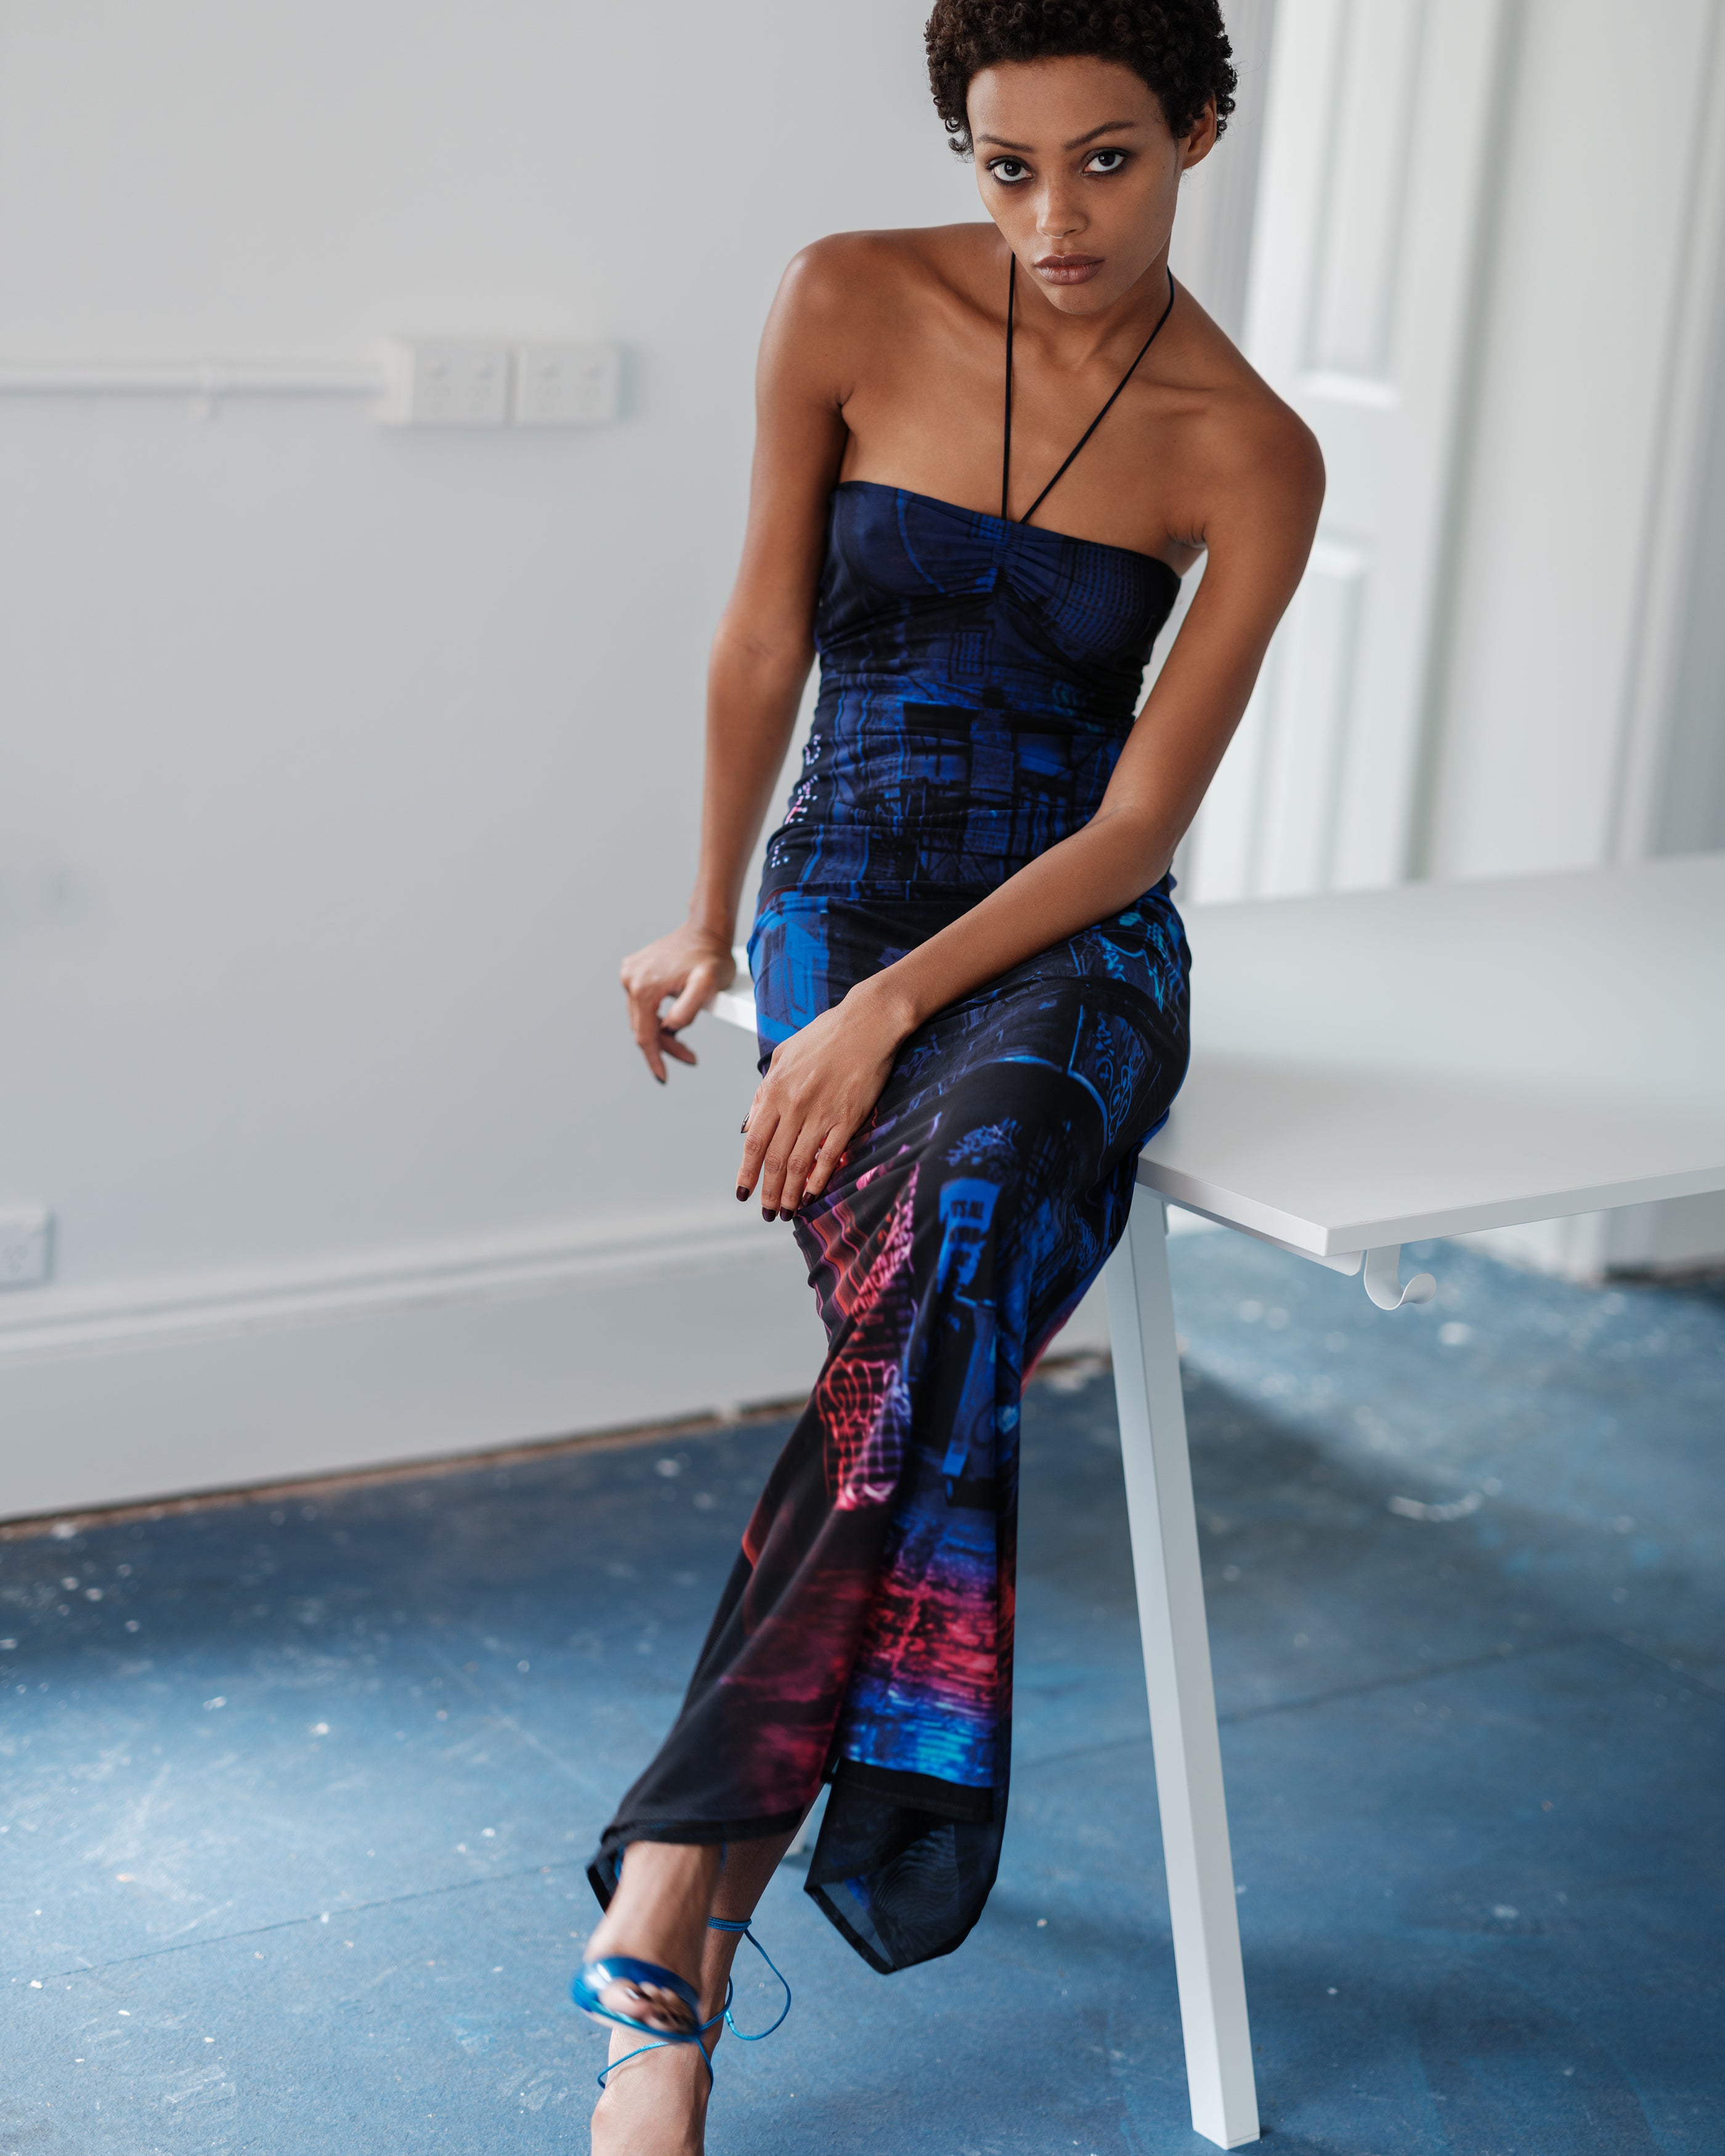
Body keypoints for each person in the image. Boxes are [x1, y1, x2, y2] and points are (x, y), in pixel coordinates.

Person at [583, 2, 1320, 2147]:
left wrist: (890, 1017)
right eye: (1010, 166)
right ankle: (689, 1937)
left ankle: (668, 1936)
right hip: (843, 891)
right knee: (946, 1337)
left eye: (1109, 159)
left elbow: (1141, 825)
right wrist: (717, 919)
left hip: (1069, 936)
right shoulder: (846, 294)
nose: (1057, 217)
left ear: (1197, 129)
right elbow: (760, 635)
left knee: (968, 1217)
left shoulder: (1253, 444)